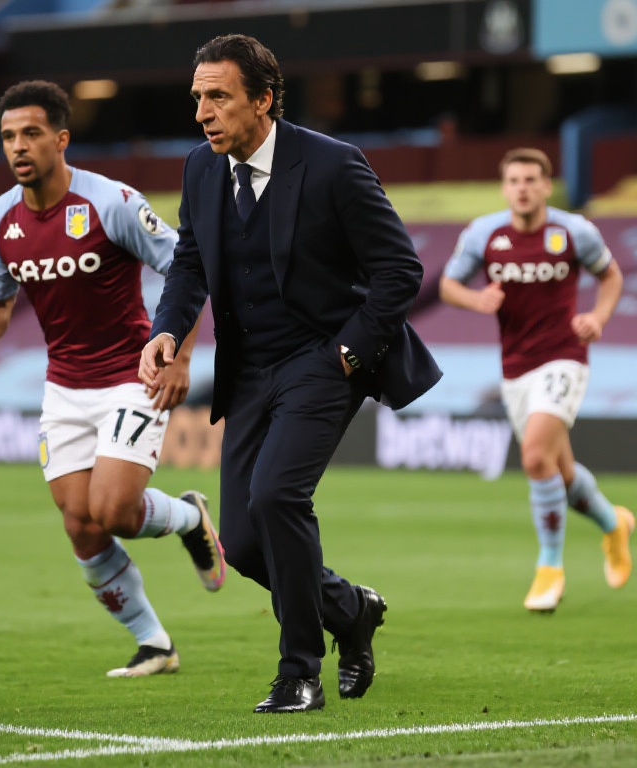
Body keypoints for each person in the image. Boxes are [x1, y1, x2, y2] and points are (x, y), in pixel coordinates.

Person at [139, 34, 442, 713]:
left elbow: (401, 270)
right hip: (248, 370)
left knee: (277, 497)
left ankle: (298, 671)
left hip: (322, 360)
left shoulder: (334, 164)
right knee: (244, 545)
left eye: (219, 97)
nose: (203, 112)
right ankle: (351, 610)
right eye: (197, 98)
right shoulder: (199, 168)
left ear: (264, 100)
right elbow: (191, 262)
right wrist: (166, 330)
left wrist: (348, 353)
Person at [0, 80, 225, 678]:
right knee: (80, 525)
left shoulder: (112, 203)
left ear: (61, 138)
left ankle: (188, 518)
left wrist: (179, 357)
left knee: (114, 509)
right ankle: (154, 644)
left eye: (32, 133)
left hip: (132, 374)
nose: (19, 147)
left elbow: (188, 268)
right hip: (64, 388)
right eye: (8, 137)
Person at [439, 147, 632, 612]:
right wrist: (476, 300)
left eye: (530, 180)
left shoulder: (574, 232)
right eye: (514, 181)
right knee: (558, 472)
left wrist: (598, 317)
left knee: (533, 457)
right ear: (504, 188)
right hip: (516, 368)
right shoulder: (484, 234)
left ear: (546, 186)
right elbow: (447, 285)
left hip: (565, 357)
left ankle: (549, 567)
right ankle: (614, 524)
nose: (522, 189)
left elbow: (611, 277)